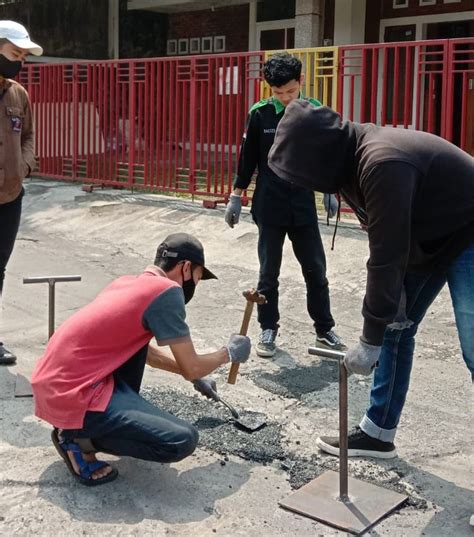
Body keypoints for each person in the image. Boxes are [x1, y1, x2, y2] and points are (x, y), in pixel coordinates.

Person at [268, 100, 474, 459]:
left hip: (468, 230)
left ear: (319, 155)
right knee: (396, 324)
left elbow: (386, 255)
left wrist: (369, 339)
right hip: (432, 235)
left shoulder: (381, 163)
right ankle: (378, 433)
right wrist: (385, 315)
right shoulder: (350, 161)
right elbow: (390, 239)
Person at [31, 233, 251, 486]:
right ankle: (77, 439)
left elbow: (143, 351)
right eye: (199, 276)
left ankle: (84, 426)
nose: (197, 283)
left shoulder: (126, 283)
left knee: (137, 346)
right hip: (73, 393)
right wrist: (228, 353)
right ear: (186, 267)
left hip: (55, 385)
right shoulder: (168, 291)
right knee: (181, 440)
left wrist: (193, 375)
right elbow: (191, 366)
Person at [224, 52, 345, 358]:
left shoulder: (315, 111)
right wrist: (236, 196)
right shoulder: (261, 113)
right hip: (270, 203)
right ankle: (268, 327)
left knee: (316, 270)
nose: (286, 98)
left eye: (290, 91)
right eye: (278, 93)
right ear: (270, 90)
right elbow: (248, 157)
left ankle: (324, 328)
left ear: (301, 82)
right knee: (269, 272)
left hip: (303, 202)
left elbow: (326, 153)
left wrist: (330, 190)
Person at [0, 21, 43, 365]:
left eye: (23, 57)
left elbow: (27, 135)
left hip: (10, 196)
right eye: (15, 54)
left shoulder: (18, 94)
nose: (19, 63)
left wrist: (25, 166)